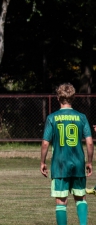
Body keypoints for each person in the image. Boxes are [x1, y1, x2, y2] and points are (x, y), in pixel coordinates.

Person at [40, 83, 94, 225]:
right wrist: (89, 162)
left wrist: (42, 162)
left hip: (60, 164)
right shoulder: (81, 117)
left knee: (61, 201)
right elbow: (89, 142)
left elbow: (45, 143)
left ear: (58, 98)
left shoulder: (52, 118)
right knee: (80, 197)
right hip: (78, 163)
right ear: (73, 98)